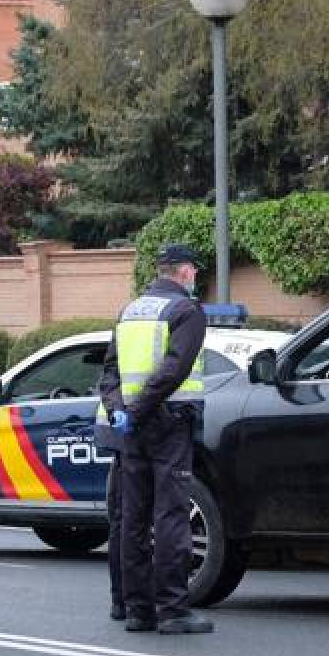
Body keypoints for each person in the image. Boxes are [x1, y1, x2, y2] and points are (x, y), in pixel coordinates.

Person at [103, 243, 212, 635]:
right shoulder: (187, 311)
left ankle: (138, 610)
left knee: (133, 517)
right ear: (183, 272)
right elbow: (173, 370)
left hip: (131, 429)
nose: (194, 277)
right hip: (166, 425)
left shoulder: (129, 311)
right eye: (194, 271)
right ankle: (172, 609)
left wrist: (121, 411)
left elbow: (109, 373)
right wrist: (138, 411)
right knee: (170, 515)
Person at [95, 343, 126, 621]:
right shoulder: (178, 316)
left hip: (118, 428)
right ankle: (126, 601)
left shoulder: (128, 318)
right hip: (139, 430)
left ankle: (122, 601)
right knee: (129, 520)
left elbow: (109, 373)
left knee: (122, 521)